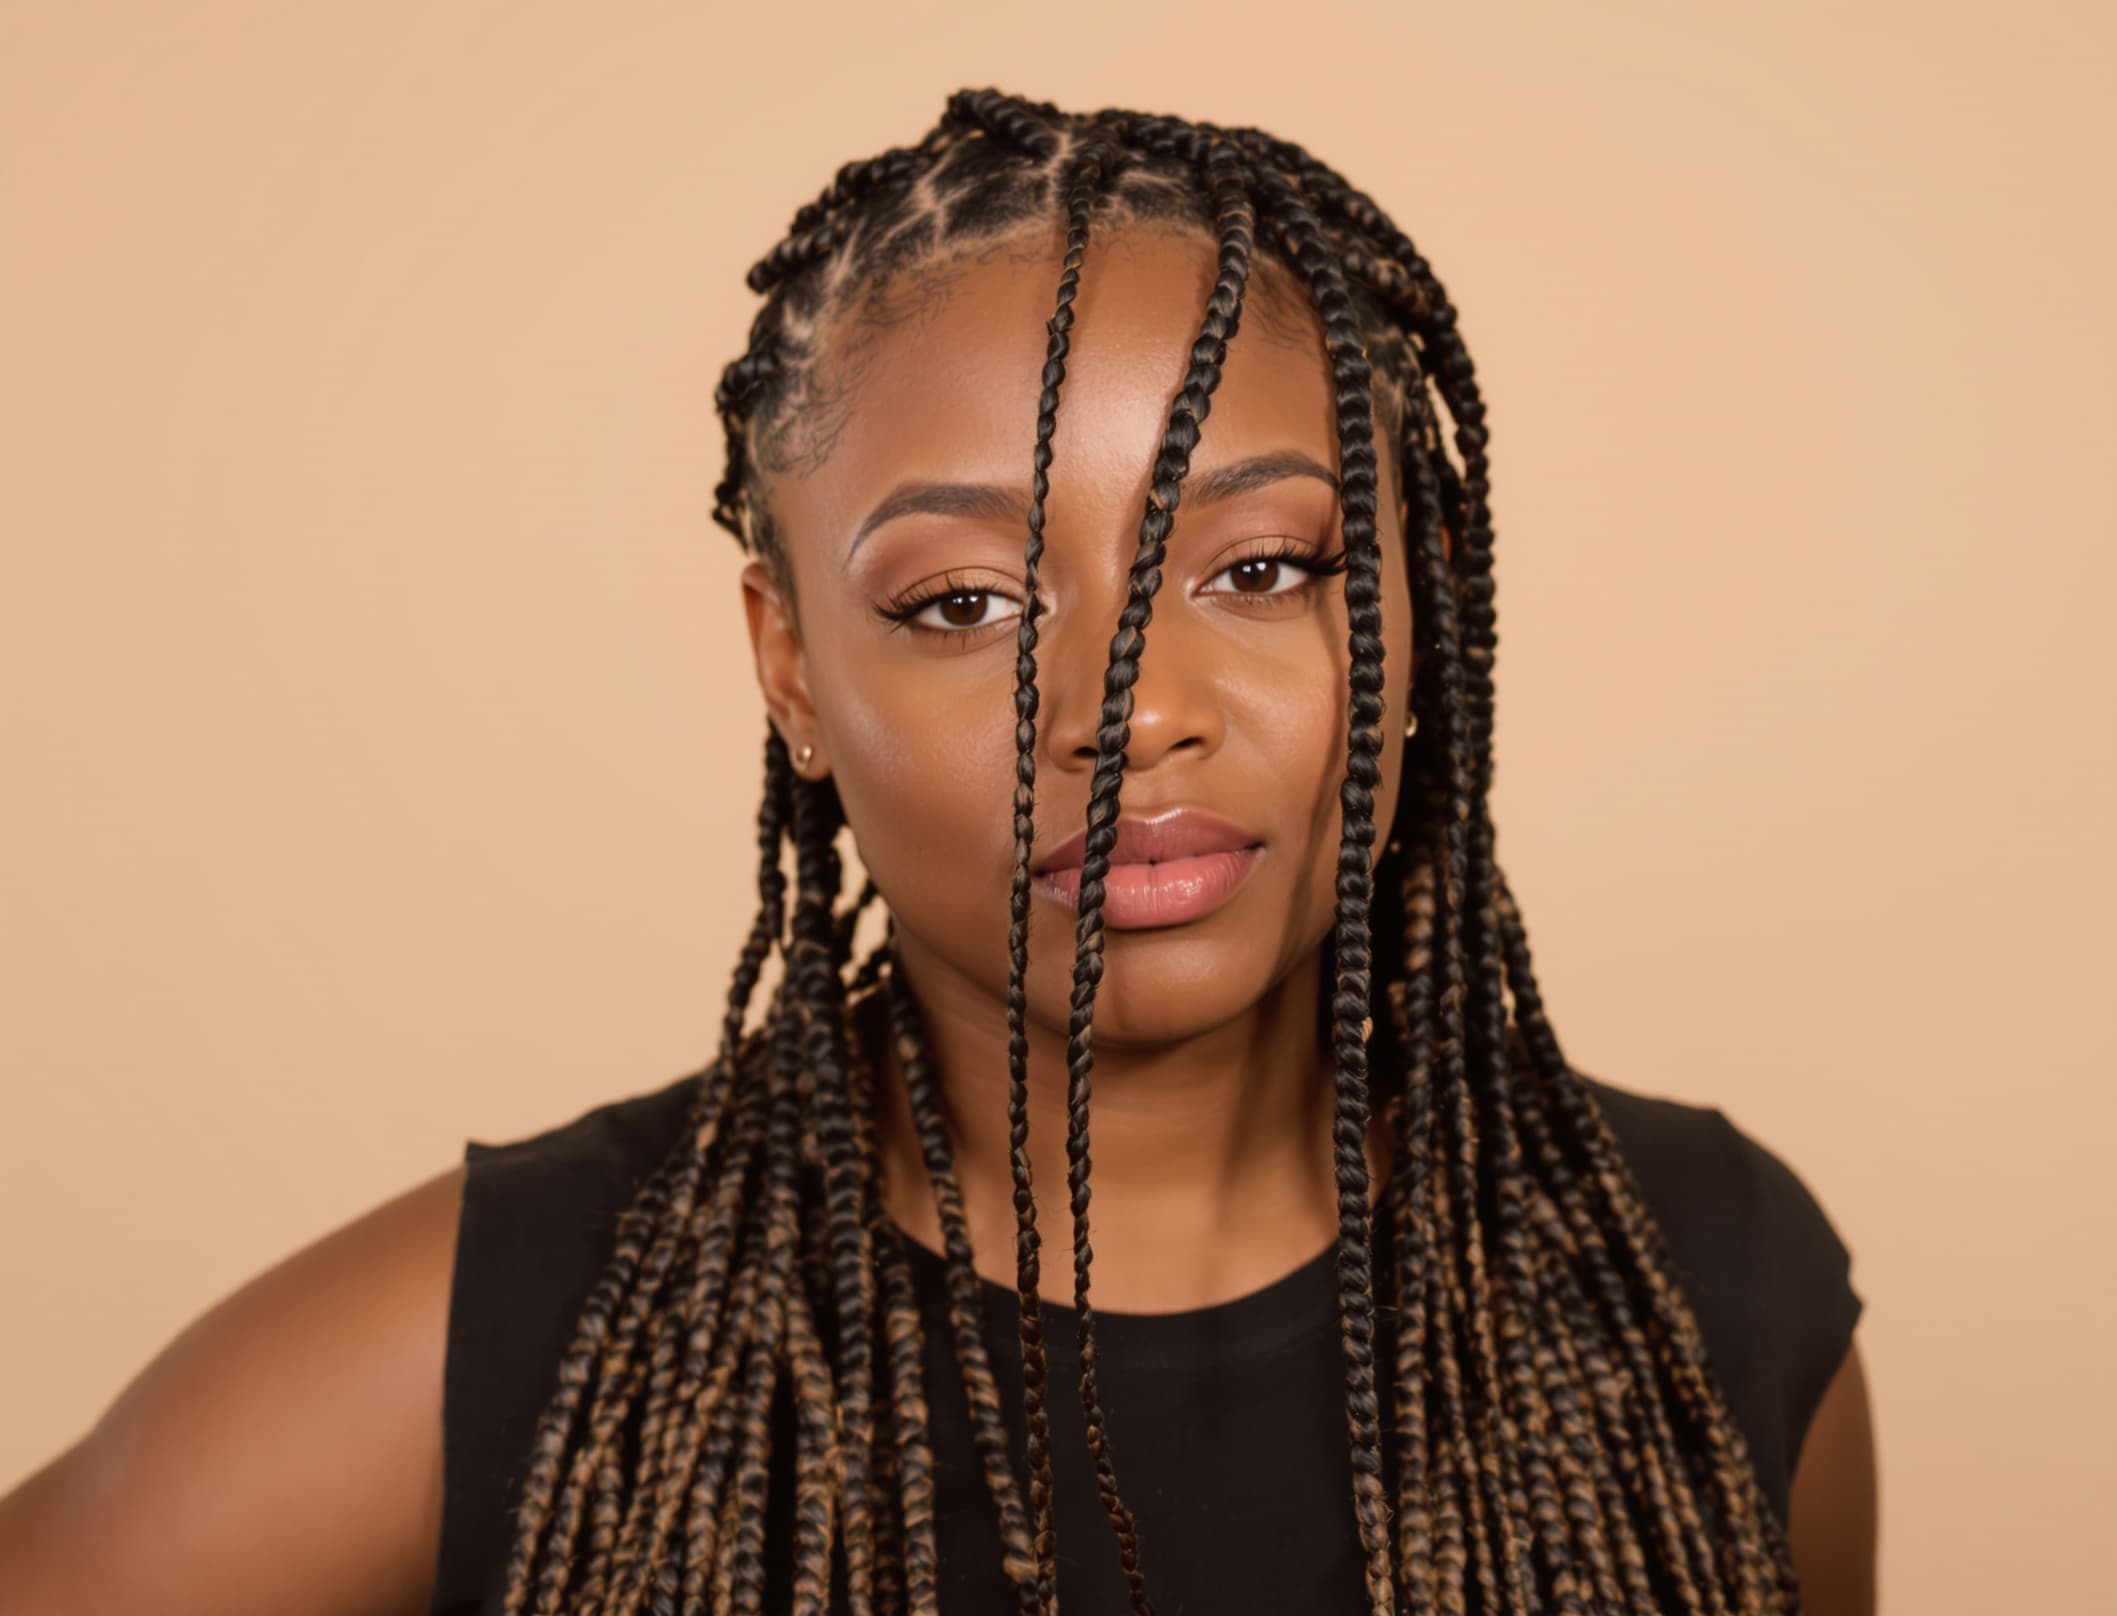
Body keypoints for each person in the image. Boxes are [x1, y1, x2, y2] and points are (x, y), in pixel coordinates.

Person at [0, 88, 1877, 1615]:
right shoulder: (473, 1354)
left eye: (1262, 566)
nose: (1132, 701)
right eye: (970, 600)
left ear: (1415, 606)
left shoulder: (1710, 1291)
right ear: (791, 669)